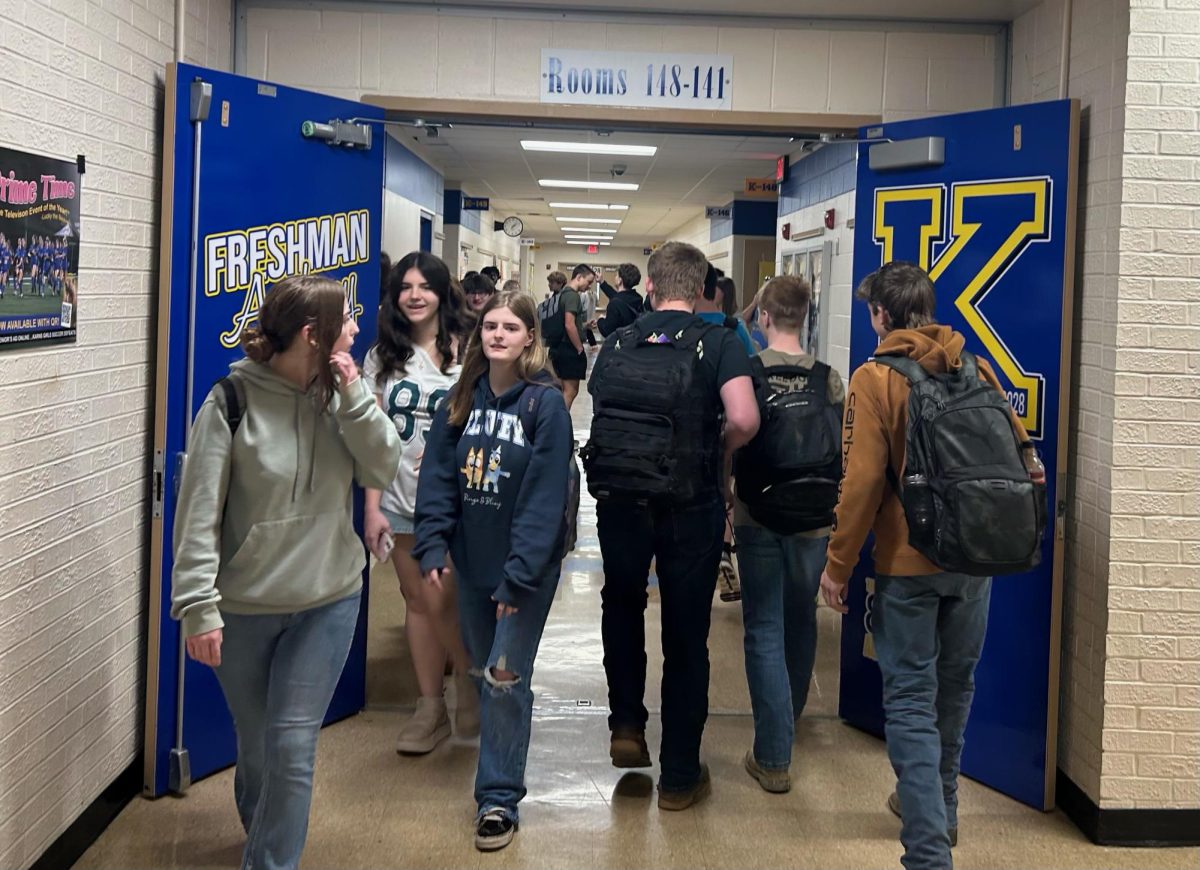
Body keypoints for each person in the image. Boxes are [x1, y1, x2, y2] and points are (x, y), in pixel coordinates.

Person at [171, 274, 401, 870]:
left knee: (293, 745)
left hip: (329, 597)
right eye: (346, 320)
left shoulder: (343, 394)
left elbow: (383, 463)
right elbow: (197, 516)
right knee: (259, 746)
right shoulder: (230, 401)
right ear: (312, 334)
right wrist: (198, 606)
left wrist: (354, 400)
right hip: (246, 604)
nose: (356, 328)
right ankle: (265, 836)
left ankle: (269, 862)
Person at [819, 261, 1028, 870]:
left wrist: (837, 566)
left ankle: (928, 852)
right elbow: (1020, 457)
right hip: (975, 562)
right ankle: (943, 810)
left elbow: (858, 485)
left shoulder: (875, 376)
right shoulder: (976, 365)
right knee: (954, 693)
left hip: (908, 566)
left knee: (909, 700)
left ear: (881, 315)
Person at [587, 241, 759, 810]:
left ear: (653, 288)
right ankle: (680, 776)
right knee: (686, 633)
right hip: (690, 505)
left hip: (621, 501)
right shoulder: (720, 343)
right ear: (705, 289)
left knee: (623, 606)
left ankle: (627, 726)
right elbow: (743, 418)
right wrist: (716, 452)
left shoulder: (618, 340)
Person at [414, 291, 572, 852]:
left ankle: (497, 799)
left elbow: (544, 497)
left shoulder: (544, 404)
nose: (498, 334)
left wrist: (520, 576)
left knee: (505, 679)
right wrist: (432, 543)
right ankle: (498, 766)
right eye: (490, 325)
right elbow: (437, 477)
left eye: (510, 326)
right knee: (486, 674)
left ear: (530, 337)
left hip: (523, 573)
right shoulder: (459, 399)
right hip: (474, 563)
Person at [363, 251, 478, 755]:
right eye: (404, 286)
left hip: (461, 498)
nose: (414, 294)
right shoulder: (381, 357)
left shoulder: (469, 348)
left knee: (444, 597)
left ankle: (471, 684)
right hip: (399, 497)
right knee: (417, 600)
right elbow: (370, 436)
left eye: (424, 286)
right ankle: (430, 706)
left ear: (440, 292)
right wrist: (372, 506)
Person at [733, 275, 844, 794]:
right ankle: (788, 721)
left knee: (763, 628)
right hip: (815, 521)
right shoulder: (830, 379)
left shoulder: (747, 373)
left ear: (764, 318)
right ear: (807, 317)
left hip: (758, 515)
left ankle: (773, 754)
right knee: (801, 621)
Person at [694, 264, 755, 604]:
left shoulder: (681, 328)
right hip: (728, 421)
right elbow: (752, 371)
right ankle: (723, 550)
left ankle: (702, 555)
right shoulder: (734, 328)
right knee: (725, 489)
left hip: (690, 425)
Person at [546, 264, 594, 409]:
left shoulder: (561, 295)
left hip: (557, 347)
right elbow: (569, 324)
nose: (589, 286)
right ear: (579, 277)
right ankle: (560, 421)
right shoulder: (573, 296)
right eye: (589, 282)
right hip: (569, 349)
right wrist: (579, 348)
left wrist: (584, 325)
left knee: (560, 389)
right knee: (571, 391)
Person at [593, 262, 643, 337]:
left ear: (620, 280)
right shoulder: (637, 298)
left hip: (620, 344)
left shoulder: (615, 303)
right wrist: (602, 282)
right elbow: (616, 296)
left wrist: (601, 320)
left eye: (616, 275)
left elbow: (607, 332)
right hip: (633, 341)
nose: (615, 277)